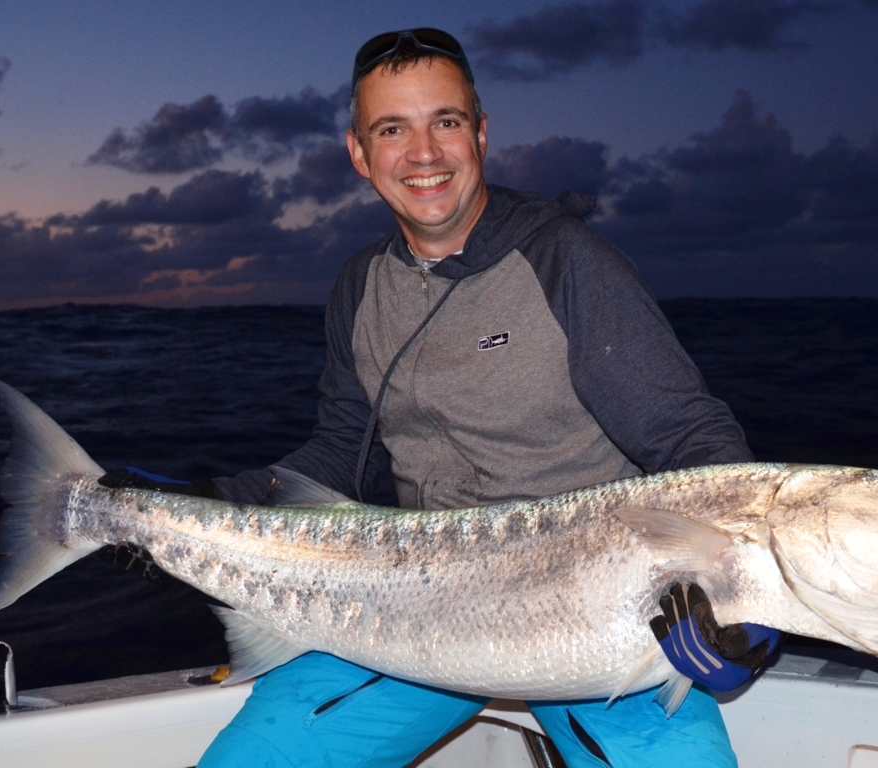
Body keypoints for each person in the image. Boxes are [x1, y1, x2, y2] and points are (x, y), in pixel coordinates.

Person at [104, 28, 781, 768]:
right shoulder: (361, 286)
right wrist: (199, 500)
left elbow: (689, 437)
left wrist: (745, 602)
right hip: (412, 613)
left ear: (481, 136)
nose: (423, 153)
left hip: (596, 618)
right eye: (392, 129)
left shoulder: (566, 262)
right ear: (360, 154)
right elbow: (339, 454)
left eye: (445, 122)